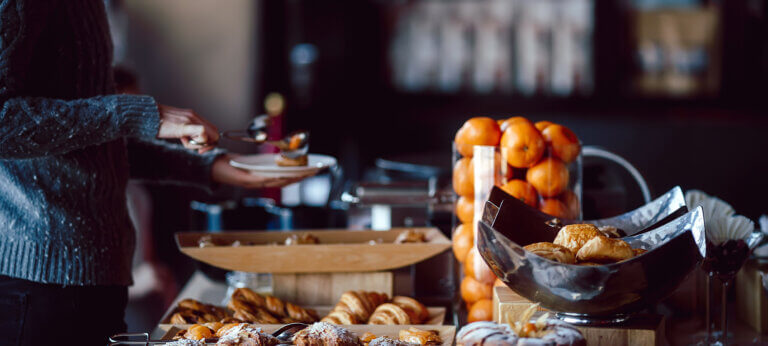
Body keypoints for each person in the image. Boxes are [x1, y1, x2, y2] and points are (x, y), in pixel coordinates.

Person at [0, 1, 306, 345]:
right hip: (35, 288)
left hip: (99, 281)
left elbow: (92, 148)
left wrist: (213, 167)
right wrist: (141, 114)